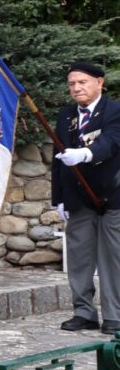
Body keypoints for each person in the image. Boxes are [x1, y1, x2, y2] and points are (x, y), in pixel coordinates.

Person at [53, 62, 120, 334]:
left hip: (112, 196)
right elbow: (57, 162)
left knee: (113, 258)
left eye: (82, 82)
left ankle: (115, 315)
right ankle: (84, 312)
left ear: (99, 83)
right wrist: (58, 198)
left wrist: (85, 154)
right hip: (78, 199)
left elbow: (112, 142)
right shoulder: (66, 115)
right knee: (79, 258)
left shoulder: (115, 110)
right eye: (72, 84)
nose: (77, 88)